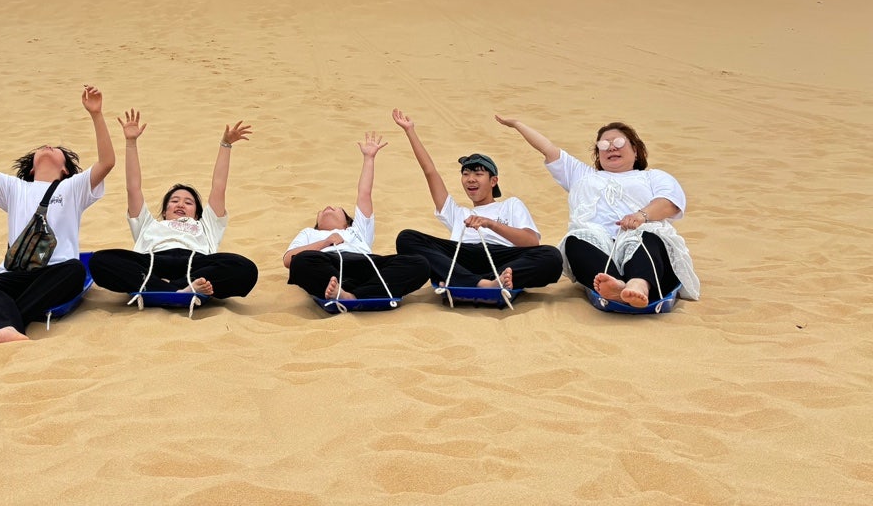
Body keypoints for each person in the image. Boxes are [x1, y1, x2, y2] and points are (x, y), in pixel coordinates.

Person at [0, 79, 115, 345]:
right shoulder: (14, 187)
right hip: (14, 274)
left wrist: (97, 115)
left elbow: (107, 162)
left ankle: (2, 322)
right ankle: (11, 327)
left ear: (65, 169)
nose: (47, 147)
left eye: (55, 149)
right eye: (41, 149)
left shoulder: (72, 187)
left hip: (54, 274)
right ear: (30, 168)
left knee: (75, 270)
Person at [494, 115, 700, 306]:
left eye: (618, 143)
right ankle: (615, 285)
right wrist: (517, 124)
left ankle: (638, 285)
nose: (611, 148)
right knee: (575, 241)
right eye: (603, 145)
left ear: (635, 150)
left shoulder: (652, 176)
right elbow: (548, 149)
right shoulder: (583, 175)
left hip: (639, 235)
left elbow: (670, 201)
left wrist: (641, 216)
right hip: (598, 242)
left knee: (646, 237)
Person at [88, 111, 259, 301]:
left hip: (195, 262)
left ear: (196, 214)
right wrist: (131, 142)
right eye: (174, 201)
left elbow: (219, 187)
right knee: (99, 261)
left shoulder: (206, 225)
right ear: (164, 211)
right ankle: (180, 289)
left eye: (188, 202)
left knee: (246, 268)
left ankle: (165, 287)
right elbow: (133, 188)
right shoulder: (148, 224)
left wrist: (226, 144)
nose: (181, 204)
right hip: (153, 261)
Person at [391, 109, 562, 291]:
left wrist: (491, 224)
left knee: (551, 256)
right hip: (463, 256)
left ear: (493, 181)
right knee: (406, 238)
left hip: (503, 257)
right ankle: (481, 283)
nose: (470, 179)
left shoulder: (510, 205)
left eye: (478, 174)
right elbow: (429, 171)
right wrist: (410, 131)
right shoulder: (459, 213)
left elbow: (531, 241)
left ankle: (476, 279)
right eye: (466, 174)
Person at [283, 133, 430, 303]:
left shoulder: (357, 230)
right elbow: (288, 260)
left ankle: (353, 295)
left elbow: (364, 194)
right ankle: (341, 289)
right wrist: (325, 243)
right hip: (328, 264)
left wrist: (369, 158)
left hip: (365, 263)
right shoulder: (309, 233)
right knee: (301, 262)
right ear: (317, 224)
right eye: (323, 211)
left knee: (419, 263)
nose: (329, 208)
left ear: (347, 223)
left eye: (337, 209)